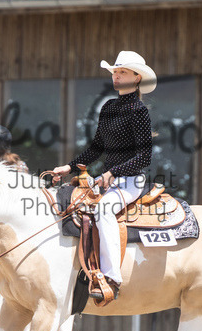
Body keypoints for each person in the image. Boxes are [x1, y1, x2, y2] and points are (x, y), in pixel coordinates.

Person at [51, 50, 156, 303]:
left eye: (122, 72)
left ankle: (111, 278)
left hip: (130, 181)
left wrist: (112, 172)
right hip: (108, 180)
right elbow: (97, 148)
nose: (116, 76)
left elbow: (144, 157)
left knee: (104, 210)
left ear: (137, 78)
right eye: (115, 72)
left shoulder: (139, 110)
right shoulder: (108, 107)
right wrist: (69, 167)